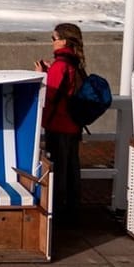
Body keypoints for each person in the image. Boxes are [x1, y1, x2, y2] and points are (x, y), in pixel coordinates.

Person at [36, 22, 86, 226]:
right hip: (73, 125)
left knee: (59, 170)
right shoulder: (75, 63)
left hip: (59, 125)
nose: (52, 42)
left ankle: (58, 214)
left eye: (53, 38)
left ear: (63, 41)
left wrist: (42, 75)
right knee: (72, 167)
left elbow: (51, 96)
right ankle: (73, 211)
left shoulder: (61, 65)